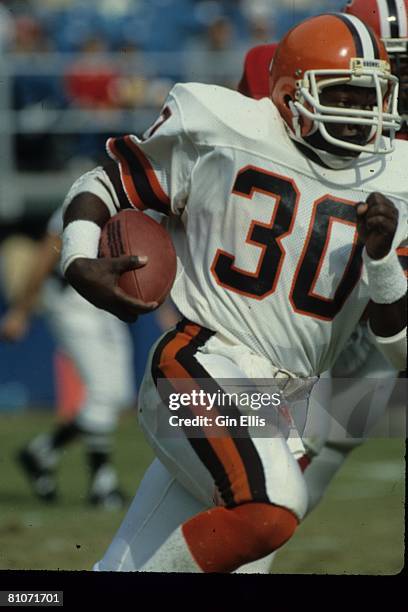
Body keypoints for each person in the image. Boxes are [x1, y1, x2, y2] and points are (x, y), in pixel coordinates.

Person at [60, 13, 407, 572]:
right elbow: (106, 180)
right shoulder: (225, 126)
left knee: (238, 562)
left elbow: (402, 350)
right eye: (347, 94)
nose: (365, 115)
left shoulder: (397, 179)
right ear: (292, 96)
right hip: (201, 359)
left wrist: (382, 256)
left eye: (374, 97)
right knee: (272, 508)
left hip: (283, 399)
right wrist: (77, 254)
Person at [0, 200, 134, 509]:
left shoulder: (141, 202)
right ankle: (102, 483)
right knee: (101, 392)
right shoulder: (85, 197)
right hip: (72, 300)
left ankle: (41, 452)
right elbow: (45, 255)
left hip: (108, 301)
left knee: (117, 396)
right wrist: (20, 311)